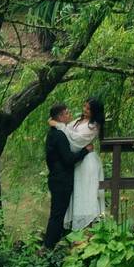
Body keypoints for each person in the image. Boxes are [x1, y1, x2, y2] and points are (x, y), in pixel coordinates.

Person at [49, 98, 107, 233]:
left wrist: (58, 125)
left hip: (87, 162)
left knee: (86, 193)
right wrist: (60, 126)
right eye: (84, 106)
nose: (84, 110)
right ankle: (77, 234)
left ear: (95, 112)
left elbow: (76, 141)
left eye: (88, 109)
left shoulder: (94, 126)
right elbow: (67, 135)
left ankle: (87, 231)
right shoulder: (78, 120)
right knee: (78, 194)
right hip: (78, 161)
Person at [44, 103, 93, 249]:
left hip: (56, 178)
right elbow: (69, 159)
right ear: (60, 117)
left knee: (57, 213)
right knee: (57, 215)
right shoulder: (59, 136)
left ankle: (51, 245)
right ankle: (48, 247)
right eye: (66, 113)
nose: (69, 114)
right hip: (61, 180)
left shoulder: (54, 132)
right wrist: (86, 150)